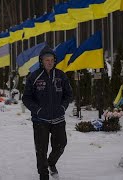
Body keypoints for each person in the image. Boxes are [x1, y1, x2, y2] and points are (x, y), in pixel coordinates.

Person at [22, 46, 73, 180]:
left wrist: (62, 108)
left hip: (58, 119)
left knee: (61, 144)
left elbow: (69, 95)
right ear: (41, 61)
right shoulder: (34, 76)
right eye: (46, 60)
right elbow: (26, 98)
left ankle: (51, 162)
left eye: (52, 60)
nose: (49, 62)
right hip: (40, 121)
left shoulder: (61, 75)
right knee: (41, 151)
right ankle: (43, 175)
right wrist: (38, 110)